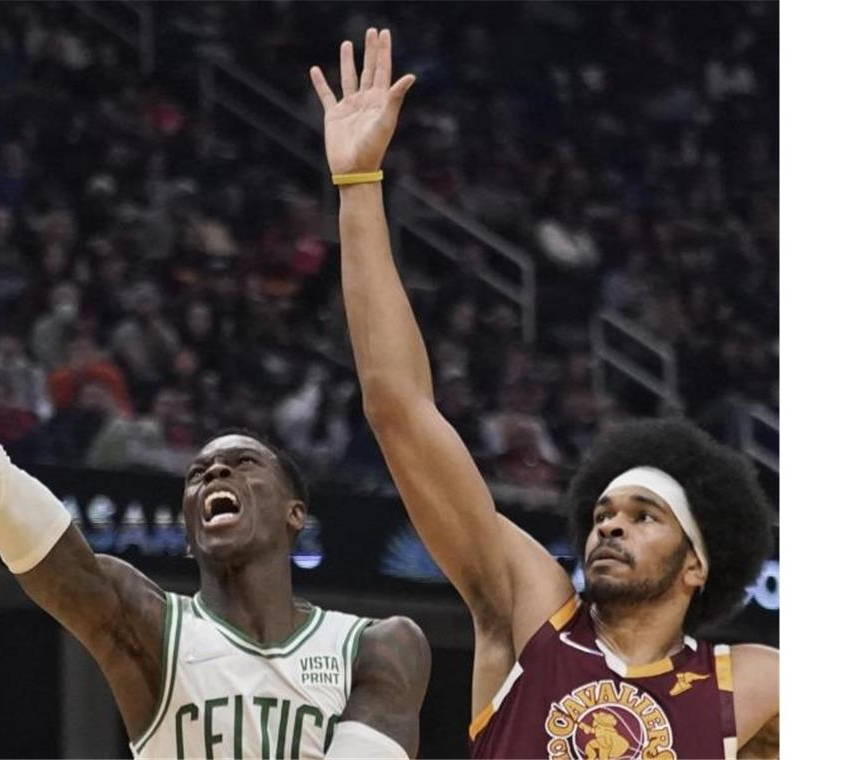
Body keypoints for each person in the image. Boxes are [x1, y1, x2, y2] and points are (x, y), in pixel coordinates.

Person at [0, 123, 429, 760]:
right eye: (199, 474)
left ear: (296, 513)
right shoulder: (146, 626)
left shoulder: (379, 646)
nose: (213, 477)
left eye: (241, 464)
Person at [310, 28, 778, 759]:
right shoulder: (532, 614)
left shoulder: (753, 685)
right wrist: (360, 186)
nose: (610, 528)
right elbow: (398, 407)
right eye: (604, 513)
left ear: (697, 564)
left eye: (643, 515)